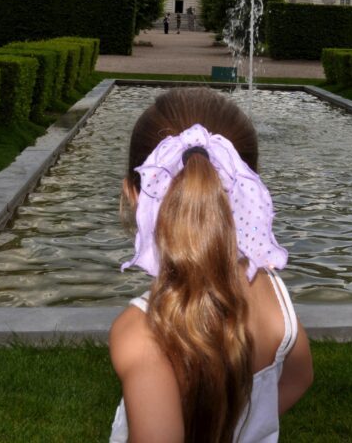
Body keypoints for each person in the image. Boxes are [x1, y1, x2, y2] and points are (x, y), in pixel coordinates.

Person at [109, 88, 313, 442]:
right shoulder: (269, 290)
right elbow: (299, 378)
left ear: (133, 194)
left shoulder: (142, 335)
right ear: (250, 190)